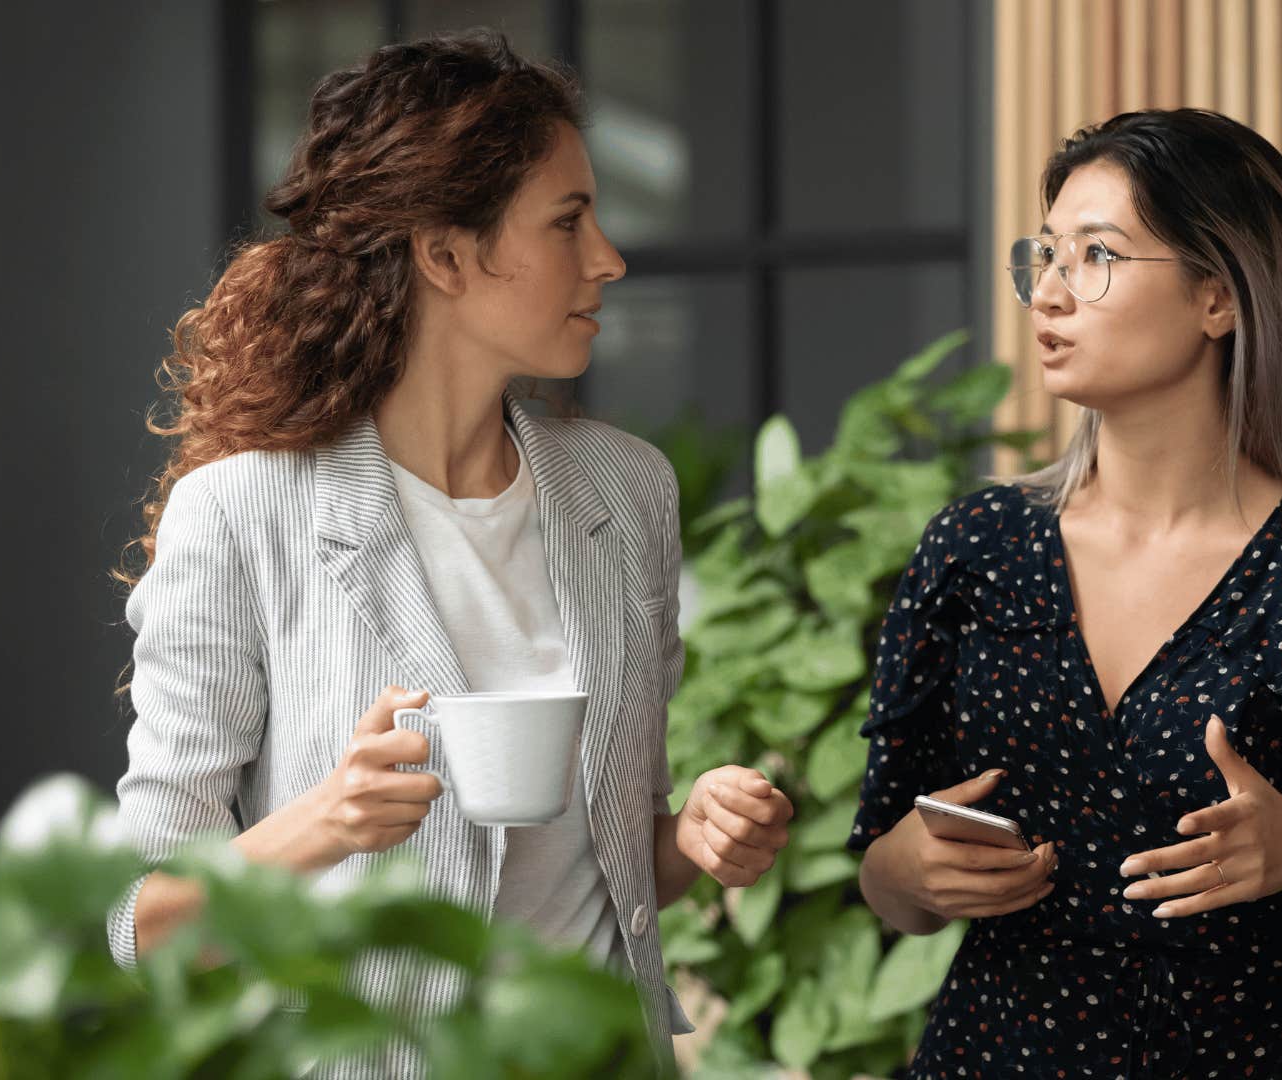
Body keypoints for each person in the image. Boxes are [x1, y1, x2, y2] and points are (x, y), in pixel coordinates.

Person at [104, 32, 794, 1076]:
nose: (608, 256)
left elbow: (613, 856)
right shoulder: (240, 515)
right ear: (445, 253)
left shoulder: (625, 489)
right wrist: (326, 825)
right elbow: (137, 923)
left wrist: (693, 836)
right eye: (568, 221)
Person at [848, 108, 1282, 1077]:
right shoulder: (974, 552)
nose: (1049, 294)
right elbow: (888, 887)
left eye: (1096, 256)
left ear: (1217, 298)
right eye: (1044, 256)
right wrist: (912, 869)